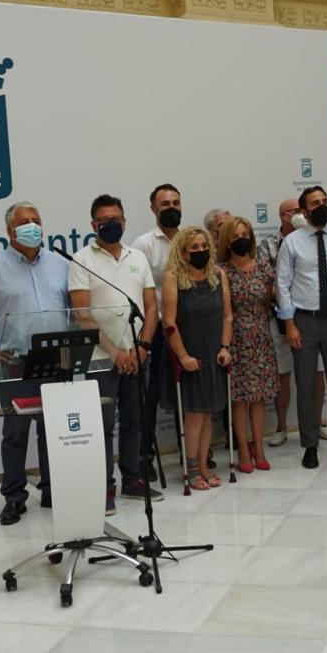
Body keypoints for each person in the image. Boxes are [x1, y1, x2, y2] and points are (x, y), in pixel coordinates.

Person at [0, 202, 69, 525]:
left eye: (36, 220)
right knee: (15, 432)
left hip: (57, 359)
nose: (32, 226)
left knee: (53, 430)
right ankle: (14, 496)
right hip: (15, 361)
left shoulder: (60, 263)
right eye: (24, 222)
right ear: (9, 231)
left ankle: (52, 490)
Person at [69, 194, 158, 516]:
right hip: (99, 358)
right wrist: (115, 352)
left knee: (134, 422)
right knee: (102, 425)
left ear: (125, 221)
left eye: (117, 219)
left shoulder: (137, 256)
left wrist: (143, 347)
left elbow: (151, 307)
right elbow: (82, 314)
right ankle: (104, 486)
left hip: (137, 354)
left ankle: (132, 478)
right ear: (93, 225)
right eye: (105, 221)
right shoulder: (81, 259)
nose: (112, 225)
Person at [276, 185, 327, 469]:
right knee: (307, 385)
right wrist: (289, 323)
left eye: (324, 201)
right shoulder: (292, 243)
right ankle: (309, 445)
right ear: (304, 210)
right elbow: (283, 285)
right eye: (315, 202)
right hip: (303, 320)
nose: (321, 206)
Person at [162, 226, 233, 491]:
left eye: (205, 246)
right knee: (194, 415)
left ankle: (204, 466)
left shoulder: (219, 276)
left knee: (208, 414)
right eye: (194, 248)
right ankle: (191, 469)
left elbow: (227, 315)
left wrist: (225, 347)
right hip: (189, 355)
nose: (201, 251)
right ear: (183, 252)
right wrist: (183, 356)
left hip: (214, 352)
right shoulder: (173, 277)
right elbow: (169, 322)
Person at [259, 198, 327, 447]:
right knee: (283, 374)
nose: (299, 215)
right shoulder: (267, 245)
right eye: (294, 212)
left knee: (318, 372)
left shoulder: (316, 239)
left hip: (313, 316)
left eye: (301, 210)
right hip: (280, 318)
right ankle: (280, 427)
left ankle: (318, 421)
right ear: (282, 216)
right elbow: (271, 283)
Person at [130, 183, 183, 494]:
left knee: (184, 396)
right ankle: (144, 457)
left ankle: (190, 454)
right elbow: (140, 292)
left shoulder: (191, 239)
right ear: (153, 208)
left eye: (176, 201)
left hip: (186, 331)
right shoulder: (144, 244)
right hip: (159, 331)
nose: (171, 207)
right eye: (165, 203)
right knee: (148, 399)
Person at [219, 216, 278, 473]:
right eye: (235, 236)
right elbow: (224, 310)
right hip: (235, 340)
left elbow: (267, 303)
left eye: (245, 234)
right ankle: (243, 449)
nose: (241, 239)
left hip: (261, 337)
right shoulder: (221, 270)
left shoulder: (264, 267)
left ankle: (259, 447)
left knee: (259, 397)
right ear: (227, 241)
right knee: (240, 398)